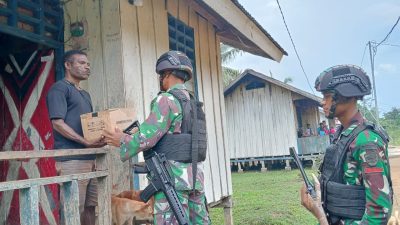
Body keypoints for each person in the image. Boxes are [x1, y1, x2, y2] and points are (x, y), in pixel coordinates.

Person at [103, 50, 210, 224]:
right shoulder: (194, 104)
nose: (160, 79)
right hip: (195, 178)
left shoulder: (166, 100)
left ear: (166, 74)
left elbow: (146, 138)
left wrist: (121, 138)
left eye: (161, 75)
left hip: (173, 179)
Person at [300, 65, 393, 224]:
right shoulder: (343, 135)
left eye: (327, 95)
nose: (323, 102)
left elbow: (378, 213)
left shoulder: (367, 141)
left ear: (346, 95)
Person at [46, 50, 105, 225]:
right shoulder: (59, 88)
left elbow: (90, 126)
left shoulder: (85, 94)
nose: (87, 66)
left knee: (90, 208)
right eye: (81, 63)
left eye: (88, 64)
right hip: (71, 159)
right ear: (67, 65)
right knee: (72, 209)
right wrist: (85, 142)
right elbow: (57, 123)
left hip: (91, 160)